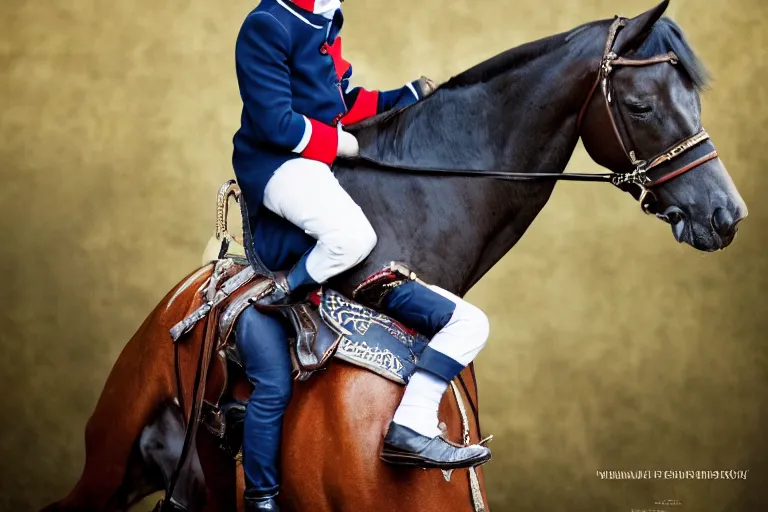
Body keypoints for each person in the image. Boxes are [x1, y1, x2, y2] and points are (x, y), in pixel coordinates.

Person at [231, 1, 490, 510]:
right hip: (277, 164)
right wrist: (342, 147)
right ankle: (289, 290)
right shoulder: (268, 24)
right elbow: (276, 124)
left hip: (313, 162)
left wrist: (405, 97)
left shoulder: (325, 16)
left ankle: (411, 426)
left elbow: (342, 99)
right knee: (351, 236)